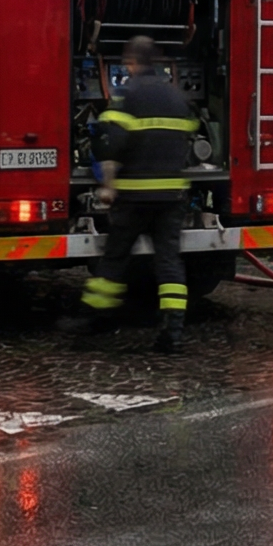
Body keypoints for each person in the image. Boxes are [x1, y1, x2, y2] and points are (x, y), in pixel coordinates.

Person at [78, 36, 199, 352]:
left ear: (130, 62)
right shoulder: (176, 97)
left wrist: (107, 185)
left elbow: (108, 145)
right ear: (155, 62)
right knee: (169, 263)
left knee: (115, 259)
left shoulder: (127, 96)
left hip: (134, 198)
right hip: (172, 197)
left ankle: (96, 320)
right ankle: (173, 331)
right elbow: (190, 134)